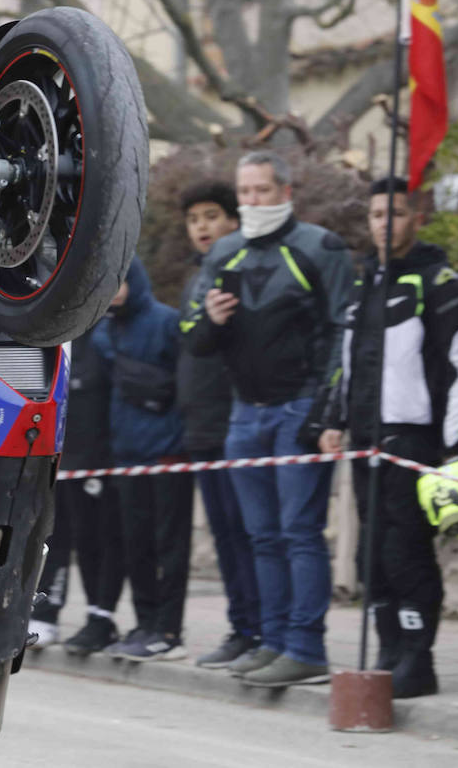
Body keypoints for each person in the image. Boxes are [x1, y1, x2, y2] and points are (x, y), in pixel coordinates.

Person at [182, 151, 352, 688]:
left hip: (298, 406)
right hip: (244, 411)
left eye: (261, 191)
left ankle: (305, 647)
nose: (252, 202)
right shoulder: (226, 252)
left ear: (286, 192)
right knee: (261, 535)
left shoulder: (320, 247)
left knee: (298, 531)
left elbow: (341, 334)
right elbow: (192, 339)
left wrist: (328, 411)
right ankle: (271, 640)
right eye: (245, 192)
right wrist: (208, 320)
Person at [318, 177, 458, 699]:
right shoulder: (365, 282)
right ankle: (388, 650)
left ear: (418, 219)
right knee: (371, 553)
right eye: (377, 215)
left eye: (397, 213)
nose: (385, 223)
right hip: (364, 440)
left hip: (413, 442)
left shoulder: (440, 281)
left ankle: (418, 657)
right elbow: (346, 363)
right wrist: (333, 420)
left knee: (405, 550)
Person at [177, 181, 261, 669]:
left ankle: (262, 631)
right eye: (193, 219)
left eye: (212, 216)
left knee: (252, 534)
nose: (202, 227)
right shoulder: (197, 278)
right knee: (228, 535)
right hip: (202, 428)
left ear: (234, 221)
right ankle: (241, 627)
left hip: (237, 424)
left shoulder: (243, 272)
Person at [95, 258, 191, 662]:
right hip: (127, 454)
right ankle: (145, 621)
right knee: (137, 544)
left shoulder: (168, 322)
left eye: (121, 281)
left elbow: (186, 385)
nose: (115, 290)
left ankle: (168, 629)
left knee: (170, 544)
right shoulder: (103, 332)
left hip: (168, 453)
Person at [32, 325, 124, 655]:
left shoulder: (101, 336)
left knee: (94, 539)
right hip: (56, 456)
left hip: (96, 459)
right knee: (52, 536)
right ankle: (45, 614)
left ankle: (100, 617)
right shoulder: (55, 334)